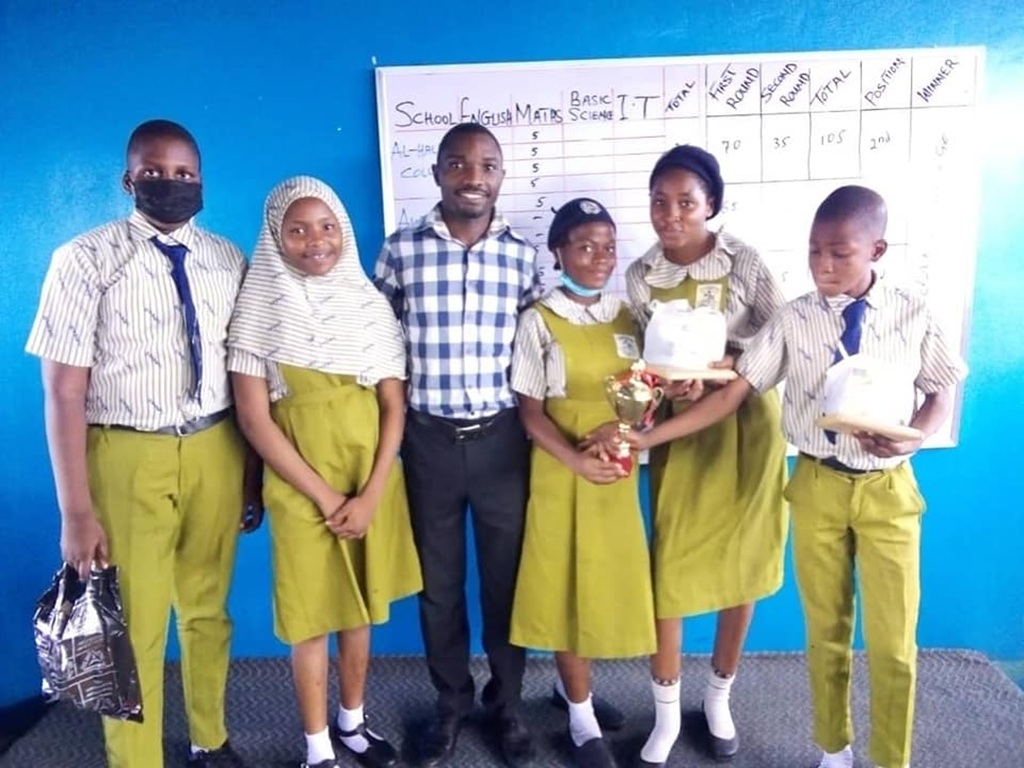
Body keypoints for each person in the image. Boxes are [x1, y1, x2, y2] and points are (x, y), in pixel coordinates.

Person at [623, 185, 968, 768]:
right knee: (826, 635)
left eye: (840, 253)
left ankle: (892, 759)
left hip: (888, 490)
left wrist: (913, 432)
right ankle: (833, 750)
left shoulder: (914, 312)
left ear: (876, 250)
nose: (824, 267)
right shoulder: (792, 319)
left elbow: (941, 391)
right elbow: (734, 391)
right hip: (815, 486)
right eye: (814, 253)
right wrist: (648, 436)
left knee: (894, 646)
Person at [25, 119, 261, 767]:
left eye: (185, 173)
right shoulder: (84, 260)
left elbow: (241, 371)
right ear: (129, 180)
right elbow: (64, 392)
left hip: (216, 447)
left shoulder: (226, 259)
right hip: (126, 455)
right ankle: (136, 761)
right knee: (133, 625)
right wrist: (77, 513)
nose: (171, 184)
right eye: (155, 173)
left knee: (208, 612)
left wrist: (248, 474)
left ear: (203, 182)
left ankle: (210, 740)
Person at [228, 176, 422, 768]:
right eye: (298, 229)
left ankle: (353, 722)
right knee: (312, 614)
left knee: (359, 605)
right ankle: (317, 747)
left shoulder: (369, 306)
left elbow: (394, 405)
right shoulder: (257, 313)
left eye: (328, 226)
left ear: (345, 230)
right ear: (275, 239)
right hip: (298, 486)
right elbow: (256, 420)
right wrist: (323, 495)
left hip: (371, 479)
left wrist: (370, 493)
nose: (316, 240)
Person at [620, 144, 789, 765]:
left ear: (710, 204)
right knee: (672, 570)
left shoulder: (743, 261)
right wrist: (672, 383)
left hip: (746, 429)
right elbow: (642, 360)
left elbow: (779, 340)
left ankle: (718, 697)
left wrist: (727, 367)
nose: (671, 214)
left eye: (686, 202)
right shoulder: (641, 276)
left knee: (741, 565)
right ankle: (665, 714)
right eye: (660, 202)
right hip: (680, 431)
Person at [509, 198, 656, 768]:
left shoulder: (630, 315)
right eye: (585, 246)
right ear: (559, 252)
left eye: (608, 247)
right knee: (566, 586)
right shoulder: (539, 320)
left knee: (602, 584)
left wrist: (621, 427)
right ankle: (579, 717)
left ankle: (577, 691)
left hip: (614, 473)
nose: (599, 258)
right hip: (562, 472)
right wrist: (575, 460)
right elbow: (529, 412)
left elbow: (647, 395)